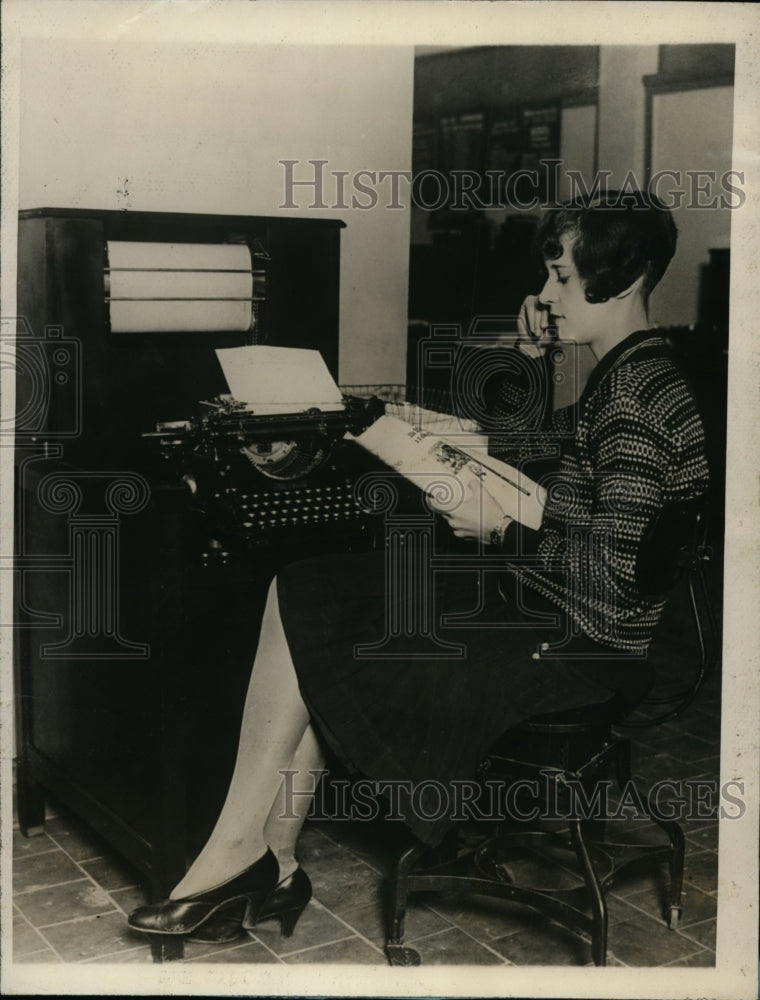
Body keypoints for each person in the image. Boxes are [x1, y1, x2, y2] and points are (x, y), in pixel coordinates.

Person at [128, 190, 710, 945]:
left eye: (561, 278)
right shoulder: (641, 372)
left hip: (580, 645)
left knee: (313, 603)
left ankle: (252, 856)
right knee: (310, 593)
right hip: (556, 609)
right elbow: (535, 441)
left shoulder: (633, 400)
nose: (544, 297)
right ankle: (262, 856)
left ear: (622, 281)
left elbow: (616, 578)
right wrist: (527, 357)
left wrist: (500, 533)